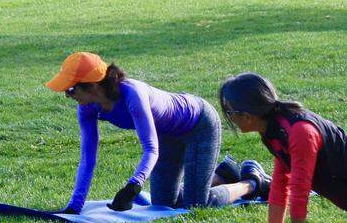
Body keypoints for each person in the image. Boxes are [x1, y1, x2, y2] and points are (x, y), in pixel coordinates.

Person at [46, 52, 267, 213]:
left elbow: (151, 149)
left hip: (199, 125)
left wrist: (134, 184)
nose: (68, 95)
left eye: (71, 89)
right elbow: (88, 158)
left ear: (92, 86)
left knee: (196, 204)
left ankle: (252, 182)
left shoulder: (133, 95)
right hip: (168, 135)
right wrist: (74, 206)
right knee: (163, 203)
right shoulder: (86, 108)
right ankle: (224, 175)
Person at [219, 72, 347, 223]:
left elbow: (299, 191)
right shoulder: (274, 130)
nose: (230, 118)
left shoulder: (299, 131)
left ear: (247, 115)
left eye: (230, 112)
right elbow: (280, 187)